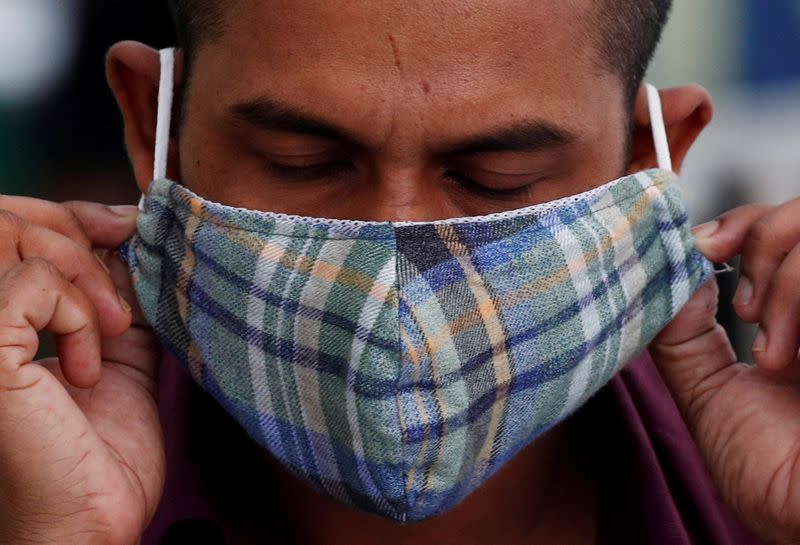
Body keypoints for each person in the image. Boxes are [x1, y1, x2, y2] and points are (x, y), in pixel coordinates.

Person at [0, 1, 798, 544]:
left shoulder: (753, 499)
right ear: (154, 126)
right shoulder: (33, 474)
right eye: (302, 162)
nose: (396, 257)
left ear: (652, 160)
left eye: (497, 176)